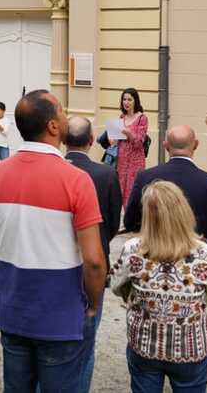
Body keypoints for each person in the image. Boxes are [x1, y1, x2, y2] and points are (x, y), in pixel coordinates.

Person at [0, 89, 105, 392]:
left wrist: (12, 272)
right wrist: (92, 304)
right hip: (60, 315)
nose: (64, 115)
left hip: (14, 309)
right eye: (60, 111)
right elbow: (94, 261)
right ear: (52, 126)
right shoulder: (76, 180)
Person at [110, 181, 207, 393]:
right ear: (184, 211)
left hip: (144, 344)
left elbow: (115, 285)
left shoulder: (133, 249)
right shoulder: (205, 253)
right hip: (190, 347)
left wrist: (137, 297)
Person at [64, 116, 122, 392]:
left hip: (59, 264)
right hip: (93, 262)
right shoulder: (106, 174)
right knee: (86, 345)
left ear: (64, 139)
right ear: (90, 141)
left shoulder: (55, 170)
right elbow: (112, 222)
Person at [124, 125, 207, 247]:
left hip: (155, 251)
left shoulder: (144, 177)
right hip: (197, 256)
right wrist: (201, 243)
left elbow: (130, 222)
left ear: (165, 145)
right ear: (196, 145)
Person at [115, 87, 148, 208]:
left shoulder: (142, 118)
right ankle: (123, 219)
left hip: (135, 161)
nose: (126, 102)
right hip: (122, 160)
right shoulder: (121, 117)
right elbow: (116, 141)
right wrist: (112, 138)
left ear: (135, 101)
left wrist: (127, 132)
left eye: (129, 99)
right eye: (124, 99)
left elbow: (139, 142)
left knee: (133, 190)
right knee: (121, 189)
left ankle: (131, 220)